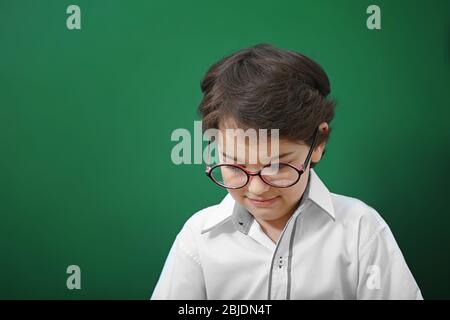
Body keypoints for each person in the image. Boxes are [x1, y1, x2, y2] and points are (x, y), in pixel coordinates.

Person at [151, 44, 423, 299]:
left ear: (319, 143)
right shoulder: (198, 239)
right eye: (234, 165)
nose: (257, 188)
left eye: (278, 165)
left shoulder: (361, 230)